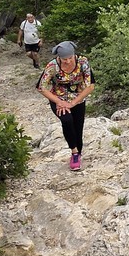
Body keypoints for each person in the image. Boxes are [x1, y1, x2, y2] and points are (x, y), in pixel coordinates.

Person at [38, 41, 94, 170]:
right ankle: (74, 153)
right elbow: (41, 87)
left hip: (77, 98)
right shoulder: (52, 66)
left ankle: (78, 153)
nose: (68, 61)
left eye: (70, 58)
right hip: (58, 98)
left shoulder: (82, 62)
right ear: (59, 57)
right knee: (67, 120)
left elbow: (90, 85)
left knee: (78, 126)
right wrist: (59, 102)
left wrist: (73, 102)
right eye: (64, 59)